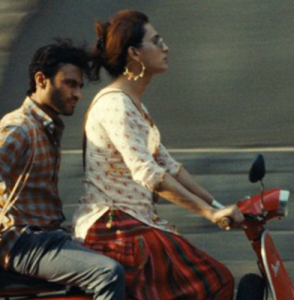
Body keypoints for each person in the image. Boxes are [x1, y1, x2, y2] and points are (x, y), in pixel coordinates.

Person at [73, 10, 244, 300]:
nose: (166, 48)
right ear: (134, 53)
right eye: (157, 41)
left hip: (134, 223)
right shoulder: (116, 105)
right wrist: (209, 213)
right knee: (212, 281)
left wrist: (217, 205)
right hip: (113, 228)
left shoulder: (136, 107)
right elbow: (148, 173)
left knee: (216, 280)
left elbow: (169, 166)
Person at [0, 39, 125, 300]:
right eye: (70, 84)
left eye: (79, 86)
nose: (77, 94)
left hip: (48, 236)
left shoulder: (46, 127)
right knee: (108, 274)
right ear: (41, 80)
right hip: (23, 242)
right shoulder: (19, 129)